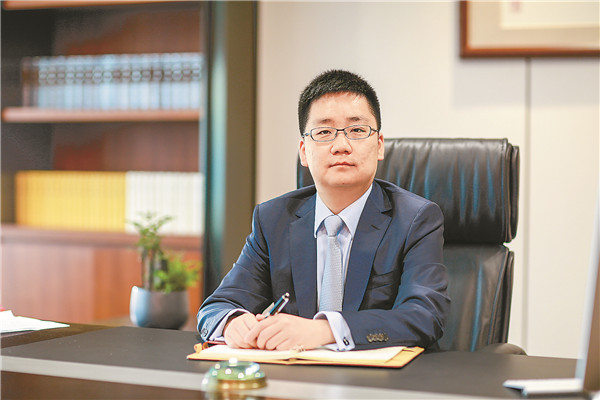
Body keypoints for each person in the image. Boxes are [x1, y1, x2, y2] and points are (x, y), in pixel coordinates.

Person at [197, 70, 450, 351]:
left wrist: (325, 330)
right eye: (324, 132)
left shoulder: (415, 219)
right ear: (304, 151)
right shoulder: (274, 219)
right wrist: (233, 322)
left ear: (379, 145)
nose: (341, 146)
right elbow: (217, 306)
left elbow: (425, 316)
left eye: (357, 130)